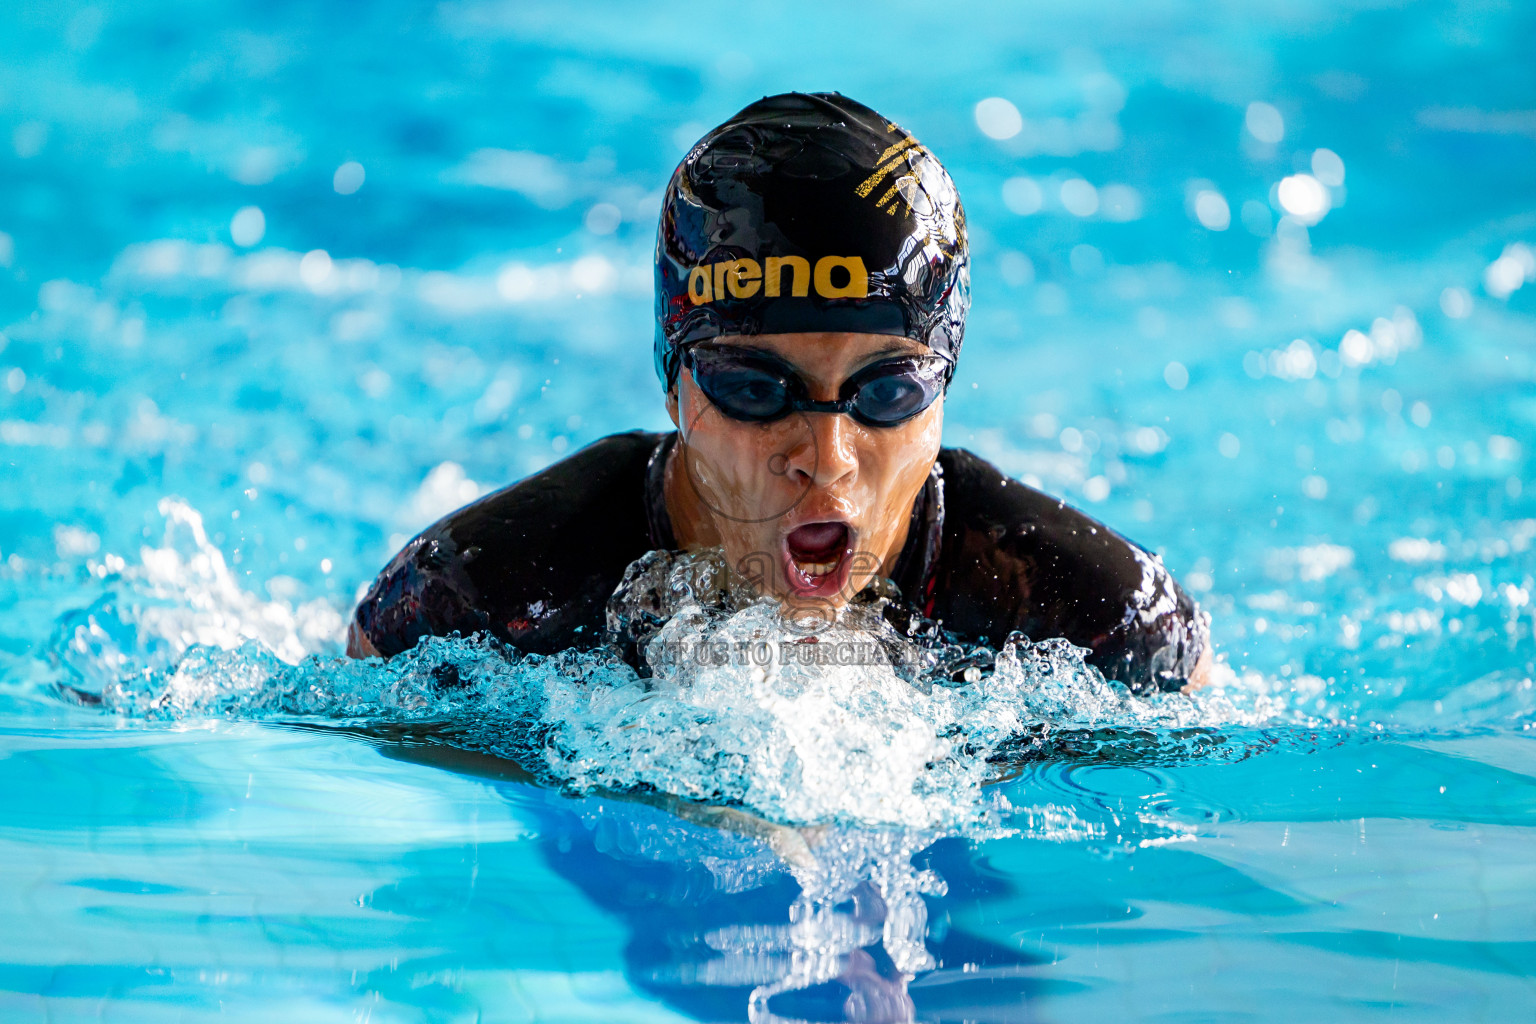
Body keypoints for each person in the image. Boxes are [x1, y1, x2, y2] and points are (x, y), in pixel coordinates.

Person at [347, 92, 1211, 693]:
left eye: (887, 394)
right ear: (673, 383)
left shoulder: (1098, 618)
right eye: (756, 389)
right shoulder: (479, 597)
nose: (824, 458)